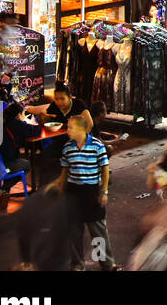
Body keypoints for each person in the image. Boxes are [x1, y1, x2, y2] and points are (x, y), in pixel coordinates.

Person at [51, 114, 115, 271]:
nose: (68, 130)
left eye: (71, 127)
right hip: (73, 193)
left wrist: (104, 191)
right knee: (74, 232)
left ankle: (107, 264)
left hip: (92, 192)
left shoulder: (97, 146)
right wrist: (59, 186)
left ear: (82, 129)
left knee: (98, 231)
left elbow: (105, 170)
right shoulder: (67, 148)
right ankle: (77, 265)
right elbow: (65, 171)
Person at [26, 80, 93, 130]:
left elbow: (90, 124)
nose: (59, 102)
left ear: (70, 97)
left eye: (62, 99)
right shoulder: (54, 105)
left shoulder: (78, 104)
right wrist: (43, 119)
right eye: (56, 99)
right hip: (60, 138)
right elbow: (47, 119)